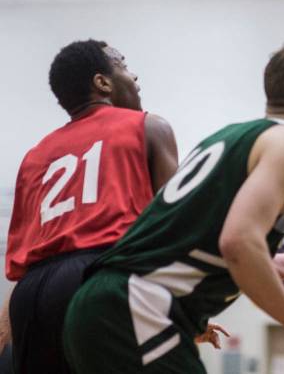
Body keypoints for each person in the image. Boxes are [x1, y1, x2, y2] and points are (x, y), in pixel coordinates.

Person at [63, 41, 284, 374]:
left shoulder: (228, 137)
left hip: (98, 303)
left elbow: (189, 230)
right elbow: (238, 242)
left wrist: (262, 260)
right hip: (135, 306)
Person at [3, 40, 179, 374]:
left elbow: (24, 259)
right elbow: (177, 222)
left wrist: (6, 321)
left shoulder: (36, 155)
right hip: (99, 276)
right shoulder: (147, 126)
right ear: (102, 82)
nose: (135, 76)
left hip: (32, 296)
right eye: (124, 65)